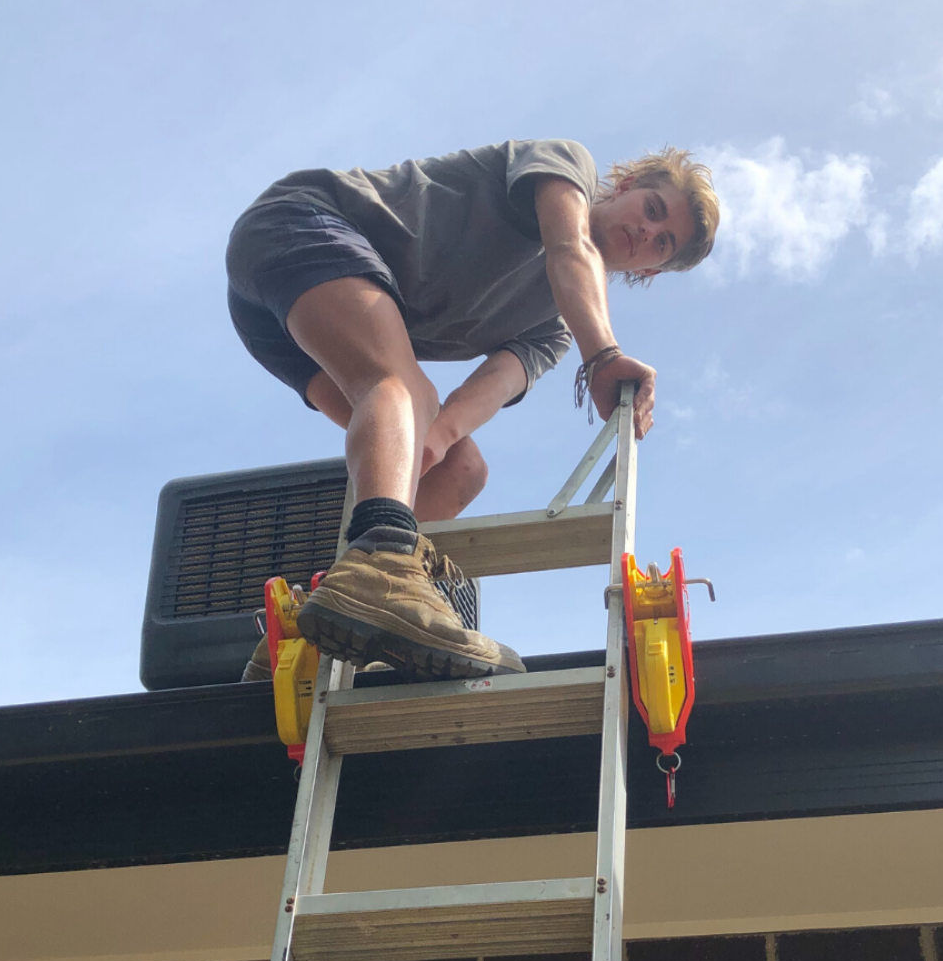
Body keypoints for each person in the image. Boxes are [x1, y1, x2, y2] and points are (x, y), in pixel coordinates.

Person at [227, 139, 719, 681]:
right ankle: (383, 561)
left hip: (275, 323)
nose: (648, 233)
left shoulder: (553, 329)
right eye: (652, 209)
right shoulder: (563, 165)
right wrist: (603, 355)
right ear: (625, 187)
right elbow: (569, 247)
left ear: (652, 271)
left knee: (461, 469)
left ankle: (318, 626)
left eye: (662, 243)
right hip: (302, 225)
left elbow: (463, 411)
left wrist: (435, 439)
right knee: (397, 387)